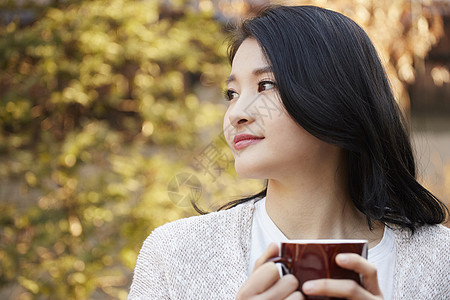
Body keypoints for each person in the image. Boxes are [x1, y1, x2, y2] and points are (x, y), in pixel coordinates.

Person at [128, 5, 450, 300]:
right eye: (232, 93)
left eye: (265, 86)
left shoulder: (438, 262)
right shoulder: (175, 255)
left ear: (336, 97)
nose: (236, 113)